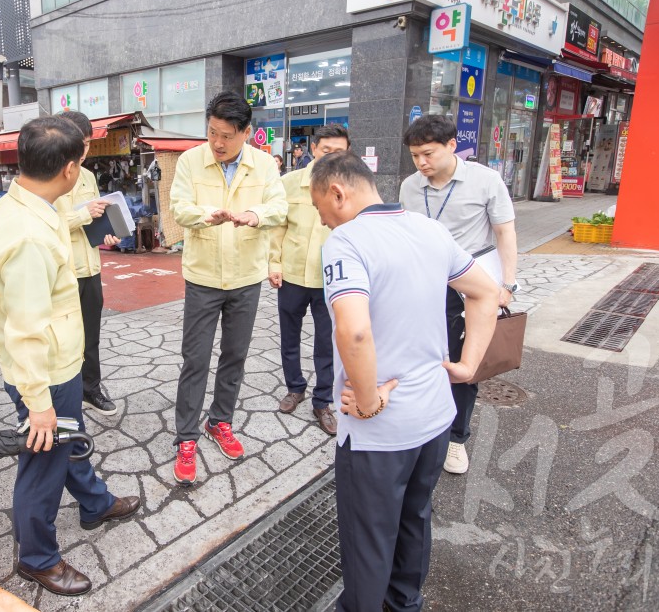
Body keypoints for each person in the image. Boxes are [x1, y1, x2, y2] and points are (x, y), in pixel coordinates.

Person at [309, 150, 498, 612]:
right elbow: (487, 290)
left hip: (380, 433)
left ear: (338, 191)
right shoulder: (430, 229)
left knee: (369, 537)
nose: (324, 223)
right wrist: (469, 366)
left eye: (321, 211)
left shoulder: (347, 242)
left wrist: (370, 400)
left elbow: (353, 330)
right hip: (434, 417)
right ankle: (404, 603)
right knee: (414, 518)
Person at [0, 116, 140, 596]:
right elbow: (26, 329)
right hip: (44, 373)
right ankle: (38, 558)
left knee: (68, 442)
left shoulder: (20, 206)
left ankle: (94, 503)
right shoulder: (27, 233)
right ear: (70, 169)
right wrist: (39, 404)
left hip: (56, 364)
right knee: (43, 463)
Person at [168, 91, 287, 484]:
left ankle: (220, 422)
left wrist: (255, 215)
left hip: (246, 277)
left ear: (246, 133)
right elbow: (178, 207)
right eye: (212, 133)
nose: (218, 143)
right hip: (202, 276)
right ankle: (186, 437)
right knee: (196, 358)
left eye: (227, 136)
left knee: (234, 356)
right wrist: (208, 215)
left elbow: (279, 208)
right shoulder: (190, 161)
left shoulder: (265, 164)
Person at [398, 115, 518, 475]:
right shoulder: (409, 186)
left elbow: (505, 233)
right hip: (425, 283)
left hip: (472, 283)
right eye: (415, 155)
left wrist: (506, 285)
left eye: (428, 154)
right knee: (423, 356)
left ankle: (456, 439)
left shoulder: (485, 180)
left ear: (452, 146)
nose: (421, 163)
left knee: (467, 364)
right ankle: (421, 425)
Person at [268, 124, 350, 436]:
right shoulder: (289, 183)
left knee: (327, 342)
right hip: (291, 274)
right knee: (289, 337)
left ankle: (322, 401)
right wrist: (273, 263)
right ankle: (295, 388)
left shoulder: (350, 187)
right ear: (314, 149)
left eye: (339, 152)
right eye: (326, 150)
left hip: (331, 279)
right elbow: (277, 227)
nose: (331, 157)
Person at [53, 111, 120, 415]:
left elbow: (93, 221)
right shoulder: (48, 173)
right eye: (80, 144)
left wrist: (106, 234)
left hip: (90, 268)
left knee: (90, 336)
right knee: (63, 339)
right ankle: (62, 395)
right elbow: (45, 222)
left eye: (89, 144)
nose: (84, 151)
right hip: (62, 272)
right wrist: (84, 214)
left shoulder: (89, 176)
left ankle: (91, 389)